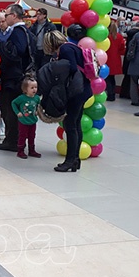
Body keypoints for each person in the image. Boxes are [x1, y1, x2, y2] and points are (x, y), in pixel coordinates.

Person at [43, 31, 92, 172]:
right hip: (83, 89)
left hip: (76, 91)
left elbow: (70, 68)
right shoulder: (71, 46)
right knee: (76, 124)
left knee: (70, 125)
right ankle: (75, 159)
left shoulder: (65, 50)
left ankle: (70, 160)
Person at [0, 4, 31, 152]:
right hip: (16, 76)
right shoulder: (26, 31)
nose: (5, 18)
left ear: (14, 16)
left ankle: (13, 140)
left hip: (13, 77)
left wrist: (2, 48)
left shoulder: (18, 32)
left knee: (9, 109)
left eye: (7, 15)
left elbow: (18, 52)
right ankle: (14, 139)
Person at [11, 77, 41, 159]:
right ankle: (20, 151)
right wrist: (18, 112)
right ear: (25, 89)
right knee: (22, 136)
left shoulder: (37, 98)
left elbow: (39, 105)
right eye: (32, 88)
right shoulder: (21, 98)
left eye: (35, 87)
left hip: (33, 120)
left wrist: (38, 111)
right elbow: (13, 103)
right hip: (23, 121)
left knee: (32, 136)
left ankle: (32, 150)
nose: (34, 89)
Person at [105, 21, 126, 101]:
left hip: (107, 58)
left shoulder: (105, 37)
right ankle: (112, 94)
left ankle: (110, 94)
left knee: (107, 78)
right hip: (115, 60)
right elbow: (122, 49)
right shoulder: (119, 37)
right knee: (112, 78)